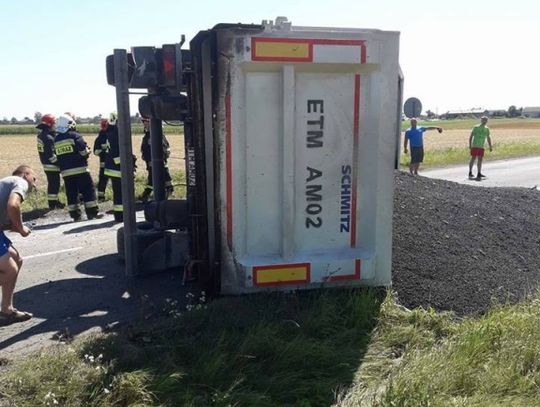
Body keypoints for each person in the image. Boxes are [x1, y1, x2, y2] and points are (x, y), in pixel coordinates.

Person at [0, 165, 36, 326]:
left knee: (17, 259)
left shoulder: (5, 186)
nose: (34, 184)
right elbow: (13, 206)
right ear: (25, 174)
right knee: (10, 269)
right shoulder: (19, 182)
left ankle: (6, 311)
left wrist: (12, 226)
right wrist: (21, 229)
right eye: (34, 179)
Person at [54, 114, 102, 221]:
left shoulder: (56, 140)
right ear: (69, 125)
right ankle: (92, 213)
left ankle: (75, 215)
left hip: (66, 172)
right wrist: (88, 150)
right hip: (80, 169)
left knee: (71, 193)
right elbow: (83, 151)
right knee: (88, 190)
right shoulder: (75, 136)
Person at [138, 116, 173, 202]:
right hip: (151, 163)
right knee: (152, 179)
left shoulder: (157, 135)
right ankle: (148, 194)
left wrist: (160, 159)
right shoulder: (148, 135)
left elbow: (165, 149)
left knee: (162, 178)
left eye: (145, 122)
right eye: (143, 122)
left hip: (158, 163)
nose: (144, 124)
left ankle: (166, 191)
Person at [36, 114, 65, 209]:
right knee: (54, 184)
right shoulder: (48, 137)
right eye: (54, 123)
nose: (55, 125)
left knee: (53, 184)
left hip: (46, 164)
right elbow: (51, 155)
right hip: (51, 165)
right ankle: (53, 205)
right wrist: (60, 163)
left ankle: (54, 202)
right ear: (50, 124)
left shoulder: (42, 135)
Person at [103, 113, 123, 222]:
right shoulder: (116, 133)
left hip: (111, 167)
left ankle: (119, 215)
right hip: (117, 168)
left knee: (117, 192)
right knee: (120, 192)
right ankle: (121, 216)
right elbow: (117, 152)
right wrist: (125, 165)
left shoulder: (109, 131)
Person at [468, 116, 493, 180]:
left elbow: (488, 137)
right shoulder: (476, 127)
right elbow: (471, 136)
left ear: (487, 121)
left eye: (485, 120)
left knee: (480, 159)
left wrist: (490, 146)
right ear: (481, 120)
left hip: (481, 146)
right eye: (483, 120)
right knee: (473, 158)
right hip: (475, 145)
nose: (484, 121)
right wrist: (470, 145)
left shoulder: (487, 129)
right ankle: (470, 172)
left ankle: (479, 173)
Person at [93, 118, 110, 202]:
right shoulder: (112, 135)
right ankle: (101, 197)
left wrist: (102, 152)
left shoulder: (98, 138)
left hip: (104, 164)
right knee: (114, 181)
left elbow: (96, 152)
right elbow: (96, 152)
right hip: (112, 164)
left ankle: (101, 198)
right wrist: (105, 151)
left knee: (102, 181)